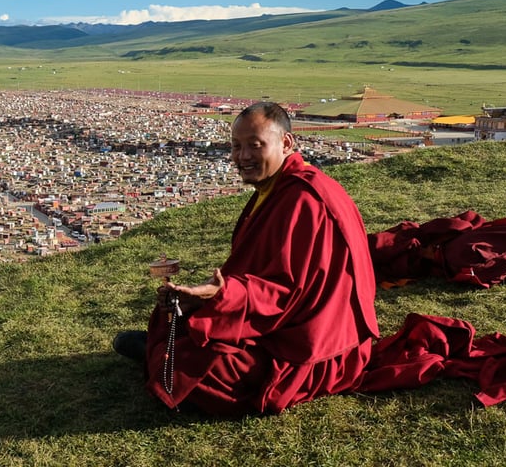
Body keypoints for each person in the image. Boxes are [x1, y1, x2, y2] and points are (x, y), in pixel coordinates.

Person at [114, 101, 380, 415]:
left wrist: (222, 296)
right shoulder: (280, 189)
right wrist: (208, 299)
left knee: (201, 373)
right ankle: (163, 350)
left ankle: (159, 353)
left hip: (314, 348)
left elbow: (284, 292)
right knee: (174, 317)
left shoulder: (305, 202)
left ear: (286, 143)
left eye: (255, 146)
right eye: (236, 146)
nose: (243, 157)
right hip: (292, 324)